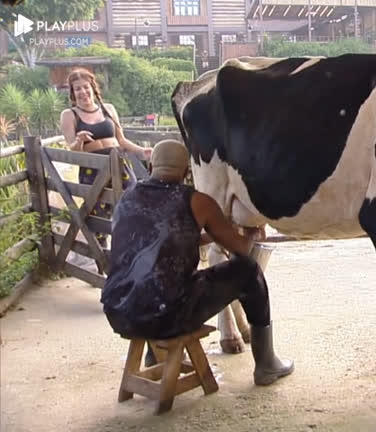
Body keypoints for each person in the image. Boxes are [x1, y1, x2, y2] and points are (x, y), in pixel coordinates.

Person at [101, 140, 294, 386]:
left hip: (119, 311)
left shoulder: (127, 198)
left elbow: (159, 244)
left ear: (151, 166)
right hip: (166, 316)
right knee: (249, 271)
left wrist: (210, 234)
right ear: (187, 172)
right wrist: (250, 234)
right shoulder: (196, 201)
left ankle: (153, 354)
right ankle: (267, 364)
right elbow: (242, 250)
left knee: (154, 281)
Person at [60, 68, 152, 250]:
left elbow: (121, 140)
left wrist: (143, 151)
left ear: (93, 88)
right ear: (72, 92)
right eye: (77, 88)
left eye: (86, 87)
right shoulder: (69, 115)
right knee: (99, 218)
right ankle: (105, 263)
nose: (82, 92)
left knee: (132, 207)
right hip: (92, 171)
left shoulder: (108, 109)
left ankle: (133, 252)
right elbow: (73, 151)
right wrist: (79, 140)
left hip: (120, 167)